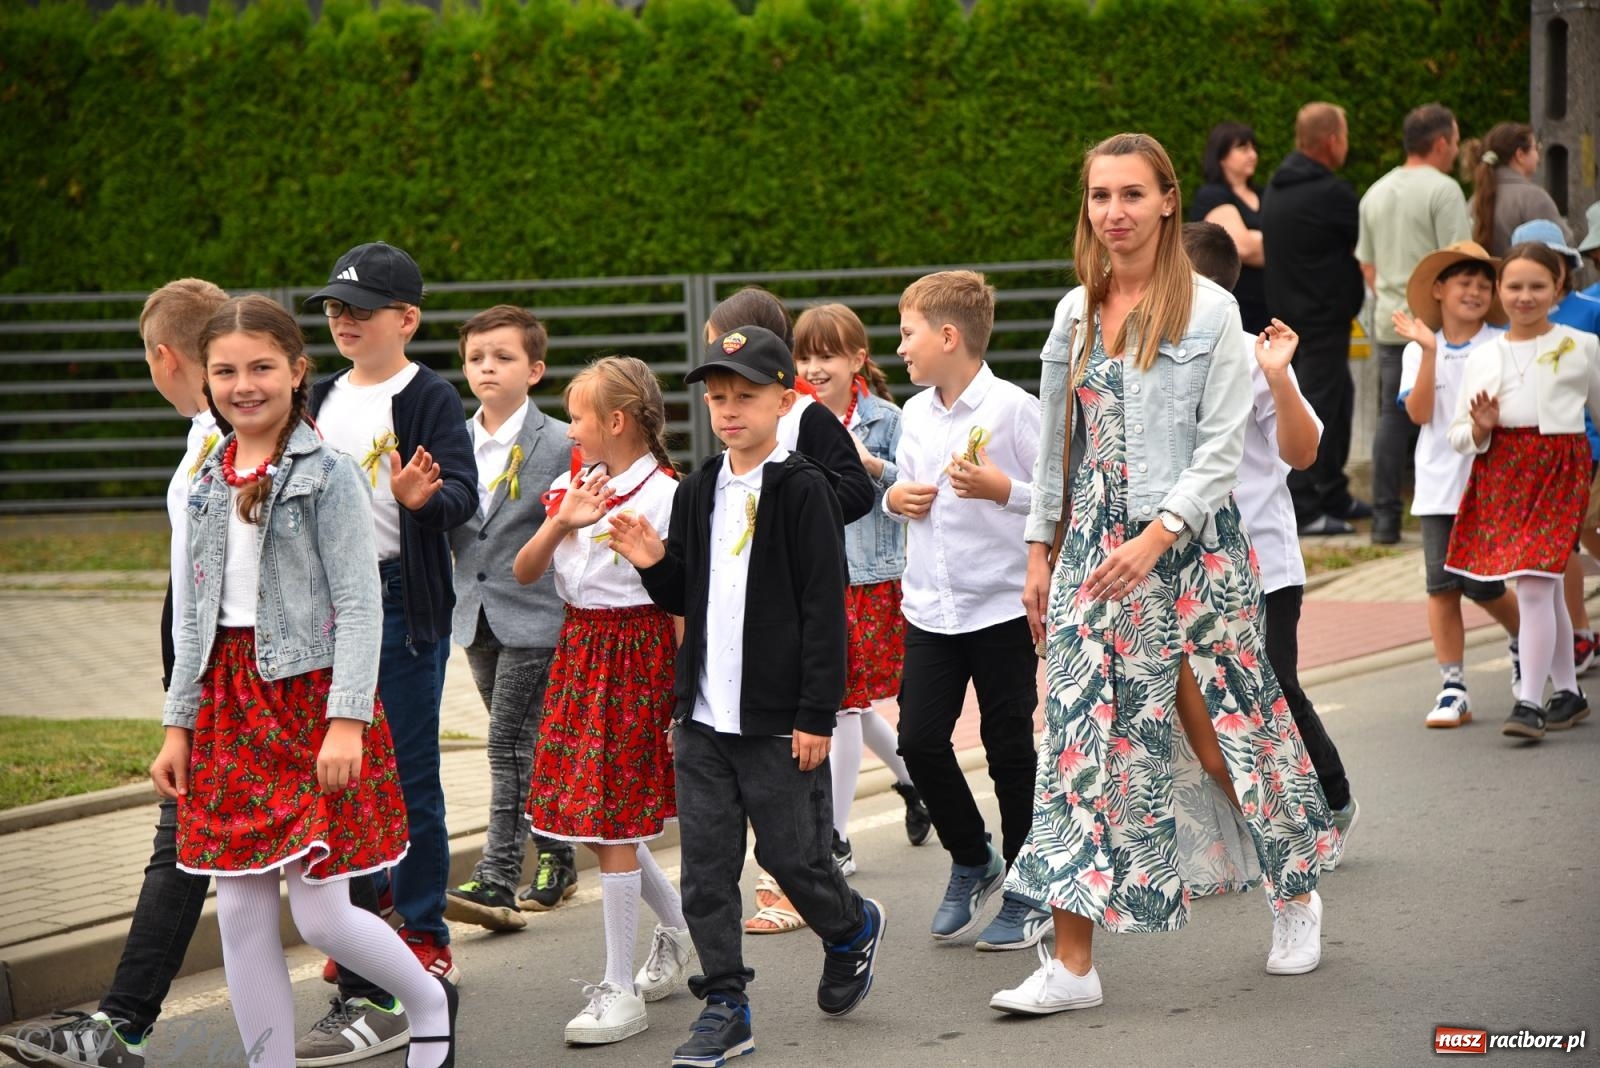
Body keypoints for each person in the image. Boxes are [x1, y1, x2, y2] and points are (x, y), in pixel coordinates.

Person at [994, 133, 1336, 1018]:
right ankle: (1072, 965)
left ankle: (1295, 893)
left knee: (1232, 735)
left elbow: (1224, 447)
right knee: (1075, 745)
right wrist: (1040, 549)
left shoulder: (1216, 311)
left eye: (1132, 195)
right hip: (1091, 560)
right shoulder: (1076, 313)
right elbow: (1060, 450)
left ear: (1169, 202)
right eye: (1101, 196)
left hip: (1192, 558)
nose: (1115, 212)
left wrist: (1158, 535)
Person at [148, 295, 458, 1068]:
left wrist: (346, 718)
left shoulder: (330, 475)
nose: (242, 384)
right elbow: (194, 617)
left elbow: (359, 605)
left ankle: (426, 1005)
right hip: (226, 707)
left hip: (310, 703)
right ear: (205, 377)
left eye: (261, 367)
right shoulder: (205, 481)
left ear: (296, 371)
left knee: (320, 915)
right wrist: (176, 723)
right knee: (242, 915)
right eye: (225, 370)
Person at [609, 326, 886, 1068]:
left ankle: (851, 927)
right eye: (717, 397)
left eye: (746, 396)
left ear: (783, 400)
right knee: (706, 870)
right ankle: (726, 1003)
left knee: (796, 861)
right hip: (702, 719)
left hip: (775, 722)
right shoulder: (698, 488)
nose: (729, 411)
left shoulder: (803, 491)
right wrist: (651, 564)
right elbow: (686, 595)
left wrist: (814, 715)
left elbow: (825, 610)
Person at [0, 280, 229, 1068]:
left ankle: (122, 1026)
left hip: (232, 683)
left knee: (191, 841)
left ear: (164, 357)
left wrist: (189, 700)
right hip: (205, 681)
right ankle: (390, 981)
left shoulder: (226, 439)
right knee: (217, 844)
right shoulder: (209, 433)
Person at [297, 242, 477, 1064]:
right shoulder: (320, 397)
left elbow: (463, 496)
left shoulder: (428, 395)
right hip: (326, 611)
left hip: (402, 603)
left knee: (406, 773)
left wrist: (424, 498)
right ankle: (365, 932)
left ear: (406, 319)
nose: (344, 321)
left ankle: (427, 935)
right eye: (335, 309)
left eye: (361, 310)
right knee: (342, 775)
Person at [510, 355, 692, 1044]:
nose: (570, 431)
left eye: (579, 418)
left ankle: (620, 989)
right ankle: (677, 926)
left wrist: (680, 692)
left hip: (637, 658)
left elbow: (680, 603)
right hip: (581, 651)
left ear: (615, 421)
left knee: (614, 821)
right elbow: (526, 571)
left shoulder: (667, 496)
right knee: (587, 820)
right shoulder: (569, 483)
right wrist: (562, 521)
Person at [741, 304, 930, 937]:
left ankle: (838, 836)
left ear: (858, 359)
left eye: (830, 355)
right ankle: (911, 783)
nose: (815, 368)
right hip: (812, 583)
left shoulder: (887, 420)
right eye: (805, 357)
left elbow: (919, 482)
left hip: (871, 580)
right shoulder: (789, 416)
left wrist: (868, 465)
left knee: (846, 707)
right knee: (849, 703)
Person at [1181, 222, 1361, 857]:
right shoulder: (1152, 353)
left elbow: (1303, 451)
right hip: (1187, 563)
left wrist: (1280, 377)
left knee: (1272, 685)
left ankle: (1330, 804)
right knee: (1208, 702)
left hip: (1261, 560)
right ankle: (1255, 827)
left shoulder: (1250, 355)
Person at [885, 270, 1048, 951]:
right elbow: (900, 483)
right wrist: (896, 498)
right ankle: (972, 857)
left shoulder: (1013, 409)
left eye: (907, 333)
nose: (900, 349)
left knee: (1010, 748)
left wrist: (1003, 488)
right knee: (918, 741)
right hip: (929, 609)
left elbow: (1057, 497)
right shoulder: (915, 413)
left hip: (1000, 607)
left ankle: (1030, 885)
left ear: (949, 336)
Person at [442, 305, 577, 931]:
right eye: (477, 358)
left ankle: (497, 874)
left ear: (535, 369)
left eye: (503, 356)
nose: (487, 367)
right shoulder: (452, 442)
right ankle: (557, 854)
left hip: (539, 616)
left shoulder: (560, 443)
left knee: (506, 747)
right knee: (528, 748)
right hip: (474, 615)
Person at [1445, 242, 1600, 740]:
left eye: (1538, 286)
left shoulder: (1582, 345)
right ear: (1499, 292)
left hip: (1562, 468)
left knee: (1533, 582)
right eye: (1514, 286)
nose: (1525, 296)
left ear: (1558, 288)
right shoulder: (1484, 354)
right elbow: (1458, 435)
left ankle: (1530, 702)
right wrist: (1482, 427)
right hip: (1502, 472)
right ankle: (1569, 692)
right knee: (1544, 582)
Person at [1390, 242, 1523, 728]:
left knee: (1484, 586)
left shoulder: (1503, 344)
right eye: (1464, 281)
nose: (1475, 291)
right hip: (1437, 485)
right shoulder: (1416, 348)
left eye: (1484, 284)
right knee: (1442, 587)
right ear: (1439, 289)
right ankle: (1453, 686)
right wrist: (1429, 350)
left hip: (1489, 485)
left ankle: (1524, 641)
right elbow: (1420, 414)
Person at [1359, 102, 1472, 544]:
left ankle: (1384, 521)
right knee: (1449, 412)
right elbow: (1461, 260)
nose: (1456, 150)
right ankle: (1458, 510)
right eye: (1457, 141)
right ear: (1441, 142)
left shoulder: (1375, 191)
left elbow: (1367, 266)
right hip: (1438, 326)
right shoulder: (1444, 191)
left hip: (1391, 322)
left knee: (1392, 416)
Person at [1260, 102, 1369, 536]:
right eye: (1344, 136)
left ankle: (1333, 492)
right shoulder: (1333, 195)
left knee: (1339, 403)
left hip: (1290, 314)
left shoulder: (1277, 187)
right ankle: (1305, 506)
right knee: (1318, 406)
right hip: (1323, 318)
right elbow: (1361, 241)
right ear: (1331, 141)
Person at [1508, 220, 1600, 676]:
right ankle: (1576, 643)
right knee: (1562, 547)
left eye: (1545, 266)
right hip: (1525, 461)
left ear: (1562, 271)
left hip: (1583, 450)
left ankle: (1579, 636)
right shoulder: (1506, 325)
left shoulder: (1589, 312)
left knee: (1566, 544)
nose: (1527, 292)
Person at [704, 286, 875, 525]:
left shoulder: (807, 414)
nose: (715, 357)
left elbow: (857, 491)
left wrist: (791, 518)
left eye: (720, 345)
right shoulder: (731, 419)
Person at [1190, 122, 1270, 333]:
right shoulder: (1212, 195)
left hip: (1271, 309)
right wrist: (1279, 242)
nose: (1252, 154)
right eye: (1243, 148)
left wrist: (1257, 237)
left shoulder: (1266, 195)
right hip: (1234, 309)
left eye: (1254, 148)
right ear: (1221, 156)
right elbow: (1243, 247)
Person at [1461, 123, 1572, 256]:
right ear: (1520, 155)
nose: (1538, 156)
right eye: (1536, 148)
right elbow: (1564, 247)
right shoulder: (1534, 198)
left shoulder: (1475, 201)